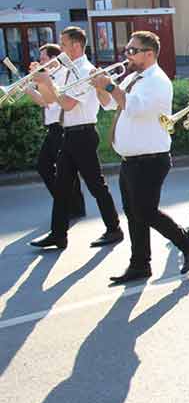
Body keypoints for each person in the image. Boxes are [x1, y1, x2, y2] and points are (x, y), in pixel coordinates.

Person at [93, 31, 189, 283]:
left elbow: (134, 107)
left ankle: (187, 242)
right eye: (127, 50)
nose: (127, 55)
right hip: (131, 159)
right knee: (133, 213)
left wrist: (109, 85)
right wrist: (100, 89)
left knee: (146, 212)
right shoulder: (134, 76)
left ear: (149, 54)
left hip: (151, 159)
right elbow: (111, 104)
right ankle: (140, 264)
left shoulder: (157, 81)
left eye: (132, 51)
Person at [29, 27, 122, 250]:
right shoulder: (66, 70)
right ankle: (58, 234)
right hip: (69, 133)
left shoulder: (85, 71)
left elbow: (68, 104)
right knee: (62, 186)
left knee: (95, 185)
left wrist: (48, 82)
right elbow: (51, 100)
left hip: (83, 133)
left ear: (76, 45)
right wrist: (40, 80)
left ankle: (114, 228)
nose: (60, 48)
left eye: (63, 44)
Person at [24, 44, 85, 220]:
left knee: (66, 171)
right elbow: (44, 101)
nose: (40, 61)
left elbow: (48, 101)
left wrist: (39, 82)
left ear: (53, 59)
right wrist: (29, 87)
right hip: (53, 128)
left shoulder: (60, 76)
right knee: (45, 167)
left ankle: (72, 206)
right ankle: (67, 203)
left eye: (43, 58)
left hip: (61, 127)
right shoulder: (49, 76)